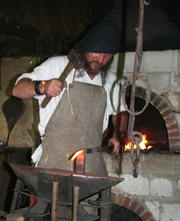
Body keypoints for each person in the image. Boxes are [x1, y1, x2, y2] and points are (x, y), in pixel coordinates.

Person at [12, 20, 127, 176]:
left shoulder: (111, 80)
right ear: (85, 48)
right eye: (96, 52)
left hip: (91, 159)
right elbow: (17, 90)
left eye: (107, 56)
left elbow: (120, 112)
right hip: (55, 156)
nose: (100, 60)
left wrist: (118, 135)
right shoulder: (57, 66)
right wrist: (43, 87)